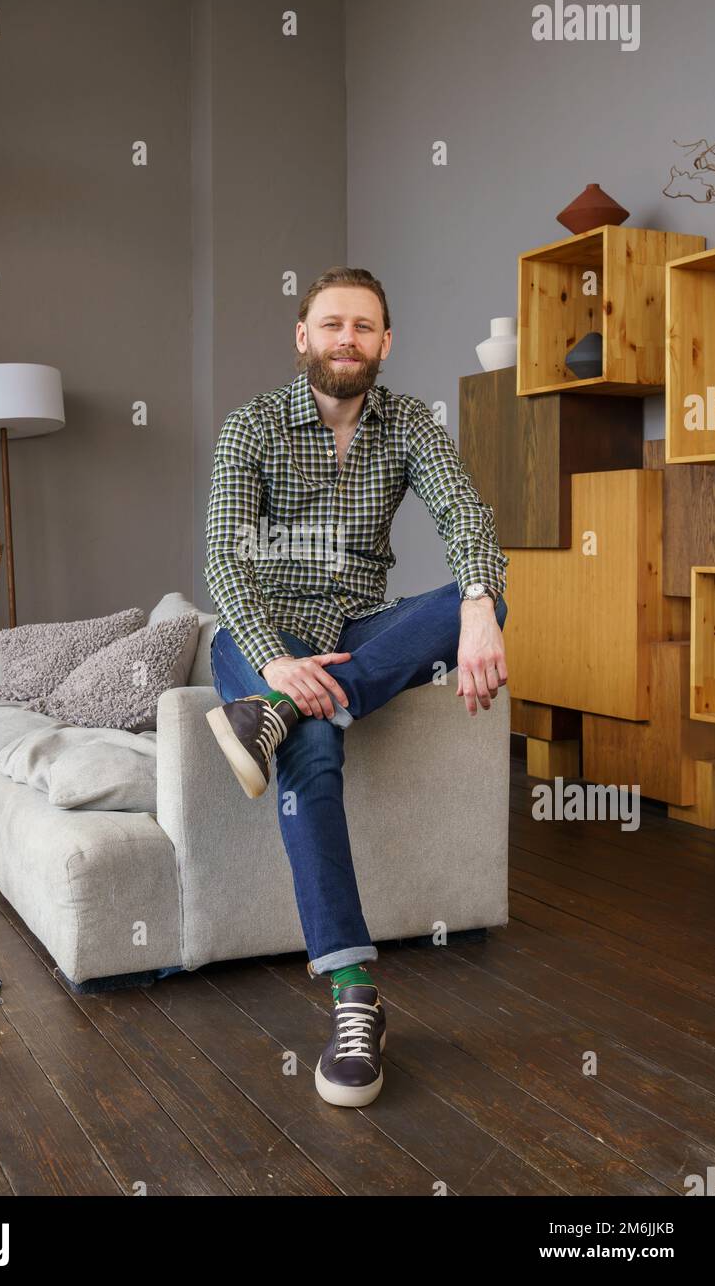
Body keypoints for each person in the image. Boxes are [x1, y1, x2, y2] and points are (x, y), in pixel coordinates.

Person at [204, 266, 509, 1107]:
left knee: (479, 593)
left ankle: (268, 719)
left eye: (364, 327)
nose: (348, 339)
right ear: (304, 336)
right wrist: (274, 665)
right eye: (332, 324)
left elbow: (464, 517)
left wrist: (480, 608)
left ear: (384, 343)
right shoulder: (253, 426)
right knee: (313, 754)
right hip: (258, 636)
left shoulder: (408, 422)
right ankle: (353, 997)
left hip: (355, 634)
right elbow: (225, 560)